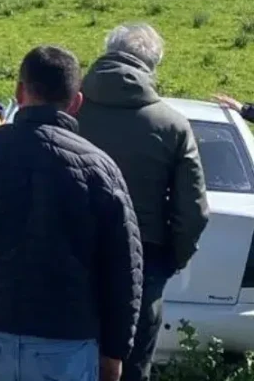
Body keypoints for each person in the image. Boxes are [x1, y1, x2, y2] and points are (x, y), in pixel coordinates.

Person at [0, 46, 143, 381]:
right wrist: (115, 350)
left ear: (19, 92)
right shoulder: (100, 169)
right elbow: (123, 268)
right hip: (65, 342)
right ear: (76, 103)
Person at [78, 24, 209, 381]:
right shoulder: (172, 125)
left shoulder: (69, 108)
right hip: (143, 255)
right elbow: (193, 209)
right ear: (153, 65)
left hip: (69, 249)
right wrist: (172, 258)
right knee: (129, 364)